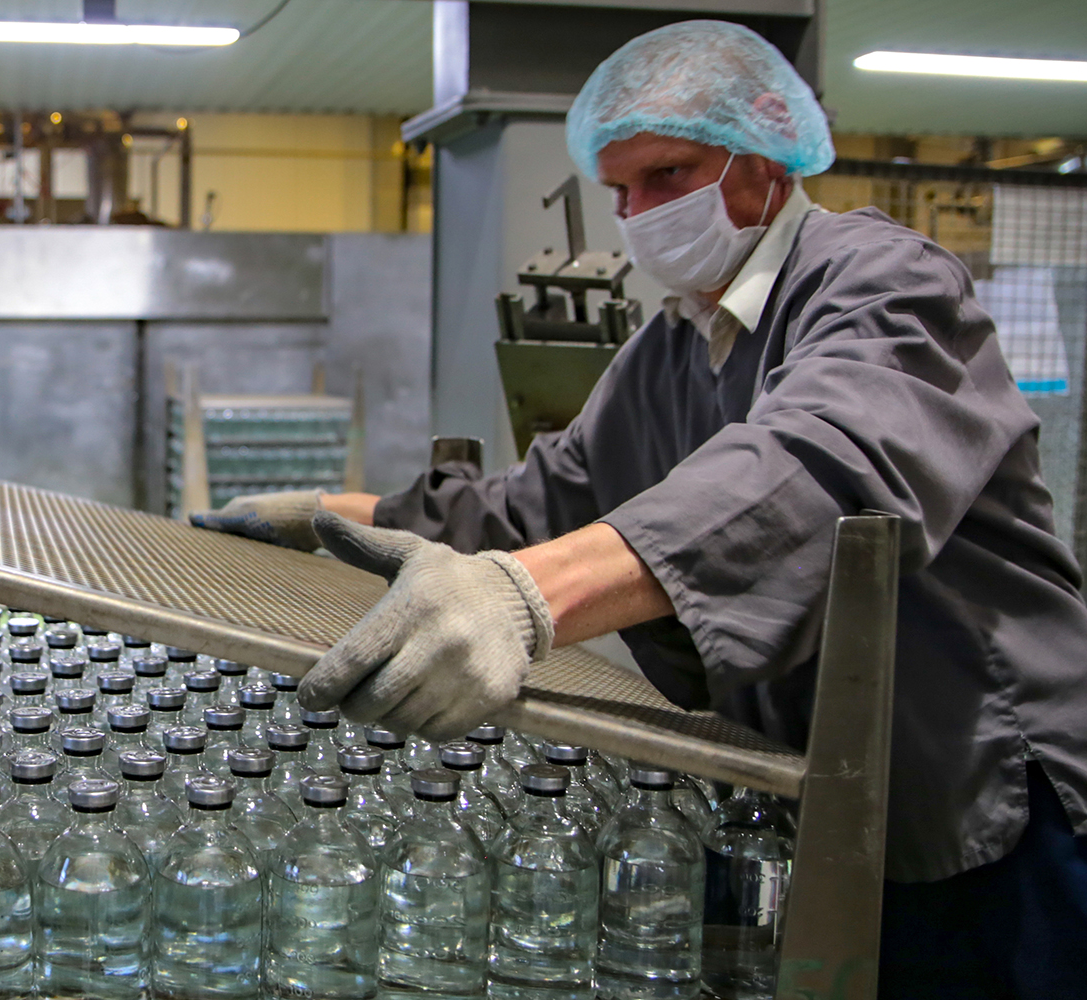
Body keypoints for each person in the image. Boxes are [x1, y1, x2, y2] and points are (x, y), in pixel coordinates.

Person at [192, 20, 1087, 998]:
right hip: (820, 789)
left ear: (766, 160)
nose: (639, 213)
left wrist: (524, 601)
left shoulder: (886, 284)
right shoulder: (672, 347)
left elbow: (819, 465)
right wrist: (335, 512)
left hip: (989, 788)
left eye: (668, 175)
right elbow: (539, 505)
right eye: (620, 191)